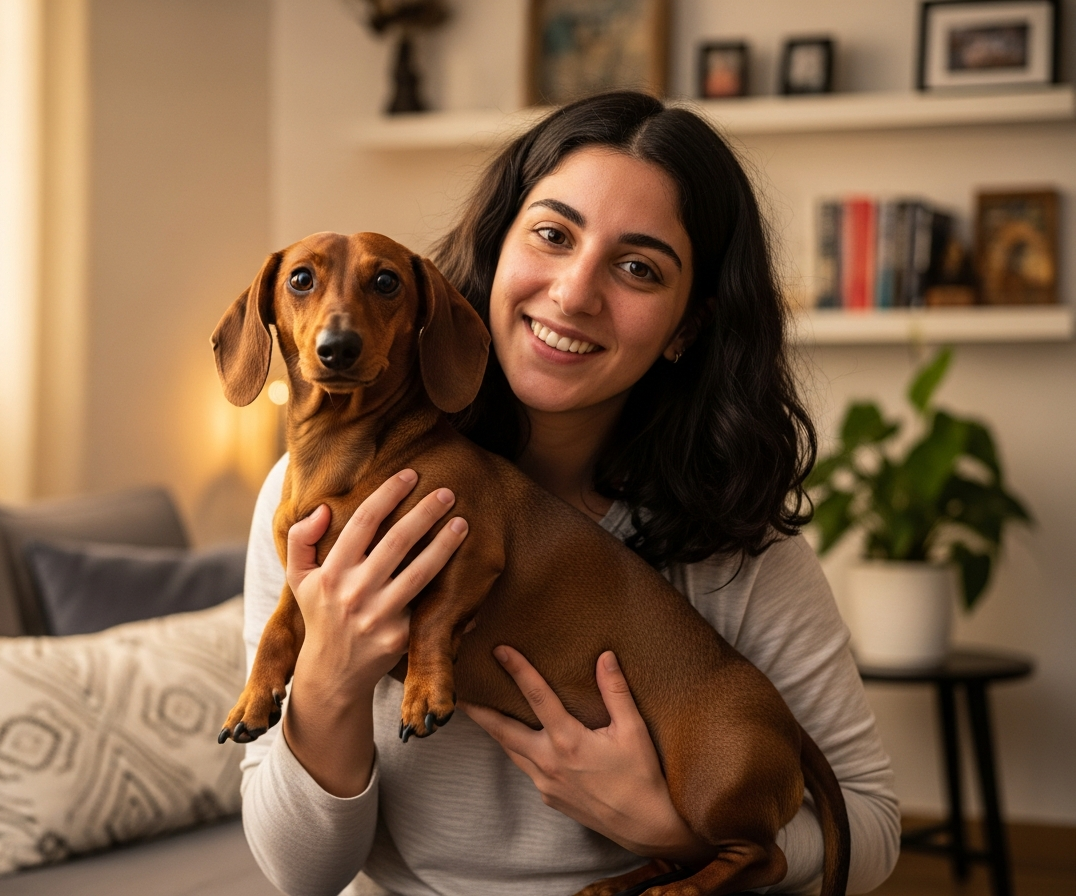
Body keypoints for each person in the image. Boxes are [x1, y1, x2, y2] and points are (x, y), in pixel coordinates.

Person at [237, 91, 900, 896]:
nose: (575, 293)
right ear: (498, 246)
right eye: (553, 234)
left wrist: (667, 829)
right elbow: (296, 875)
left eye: (638, 267)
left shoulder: (741, 552)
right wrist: (329, 680)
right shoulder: (312, 501)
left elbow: (870, 825)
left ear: (687, 327)